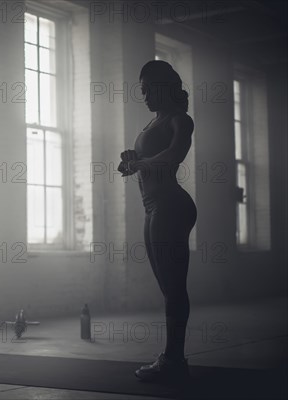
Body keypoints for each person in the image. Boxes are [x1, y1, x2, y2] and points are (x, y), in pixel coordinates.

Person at [118, 60, 197, 382]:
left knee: (175, 289)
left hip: (171, 206)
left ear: (166, 87)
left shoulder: (181, 119)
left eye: (149, 89)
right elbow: (148, 161)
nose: (145, 95)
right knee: (168, 288)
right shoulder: (152, 124)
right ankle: (172, 358)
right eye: (142, 90)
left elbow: (175, 154)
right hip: (152, 208)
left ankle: (173, 359)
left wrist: (142, 163)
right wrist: (132, 160)